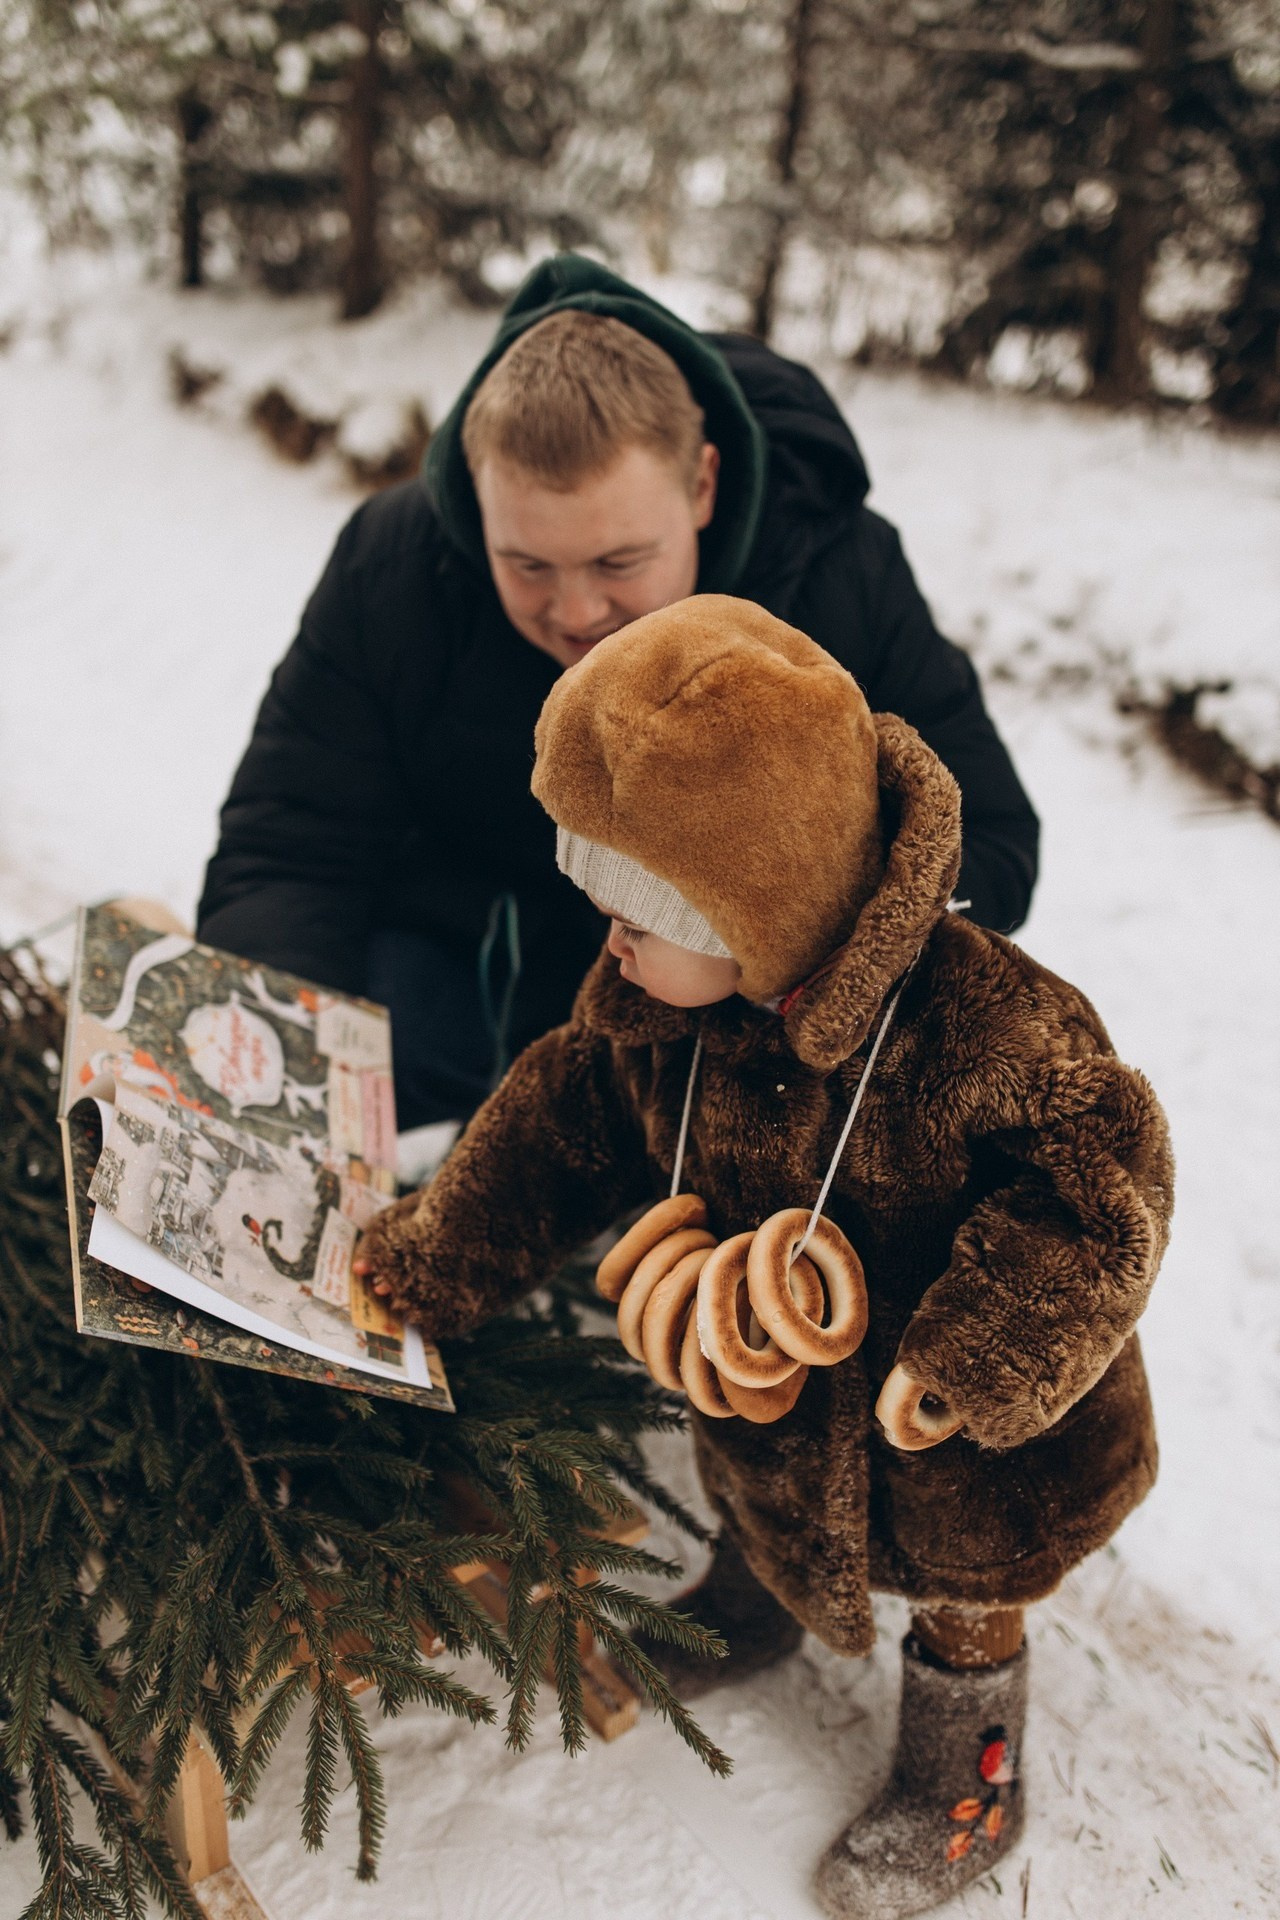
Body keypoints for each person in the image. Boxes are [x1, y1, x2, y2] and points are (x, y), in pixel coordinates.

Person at [352, 595, 1172, 1920]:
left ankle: (967, 1778)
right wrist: (442, 1246)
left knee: (970, 1583)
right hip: (771, 1394)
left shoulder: (987, 1032)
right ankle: (755, 1601)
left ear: (758, 903)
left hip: (960, 1438)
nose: (608, 938)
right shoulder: (668, 1018)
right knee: (753, 1476)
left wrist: (974, 1356)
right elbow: (556, 1130)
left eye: (639, 910)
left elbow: (1102, 1183)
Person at [197, 255, 1040, 1133]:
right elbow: (291, 844)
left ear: (703, 485)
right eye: (526, 564)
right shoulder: (395, 566)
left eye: (618, 563)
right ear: (477, 504)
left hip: (732, 1038)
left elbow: (988, 836)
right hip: (458, 986)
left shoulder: (837, 575)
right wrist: (275, 1065)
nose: (576, 612)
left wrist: (786, 944)